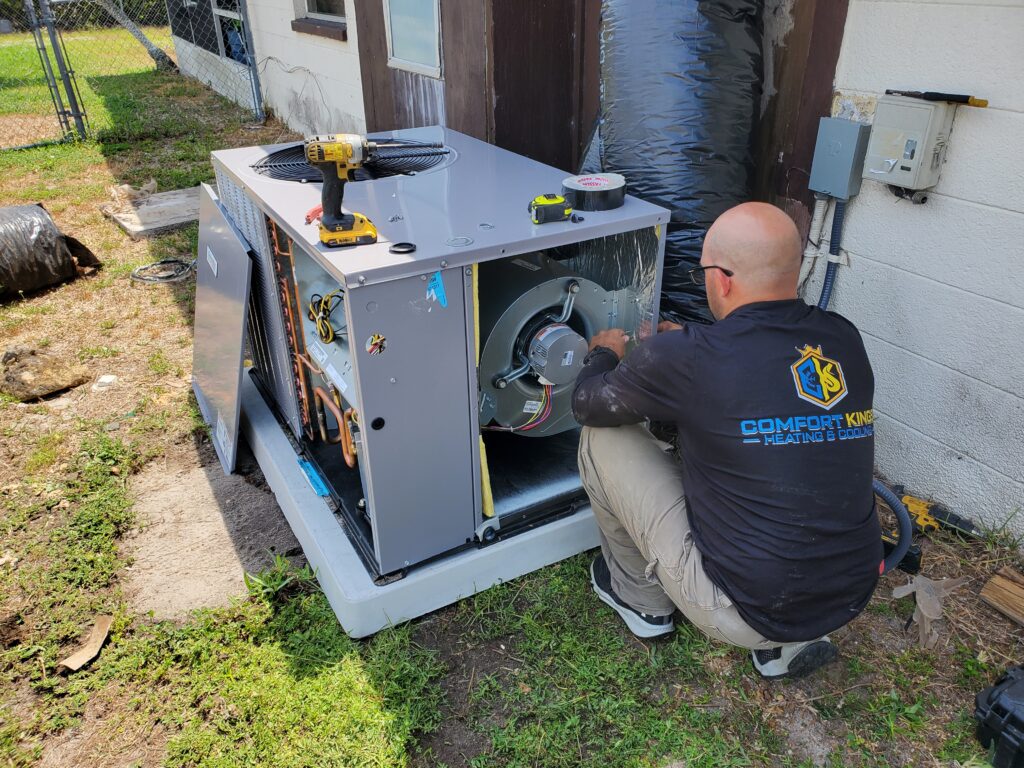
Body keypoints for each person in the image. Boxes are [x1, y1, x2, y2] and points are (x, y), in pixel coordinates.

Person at [572, 202, 882, 680]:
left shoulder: (690, 360)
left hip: (742, 608)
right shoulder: (842, 338)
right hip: (849, 593)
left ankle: (641, 601)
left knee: (602, 439)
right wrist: (680, 353)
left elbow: (588, 404)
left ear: (722, 279)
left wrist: (603, 354)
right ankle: (783, 648)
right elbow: (760, 377)